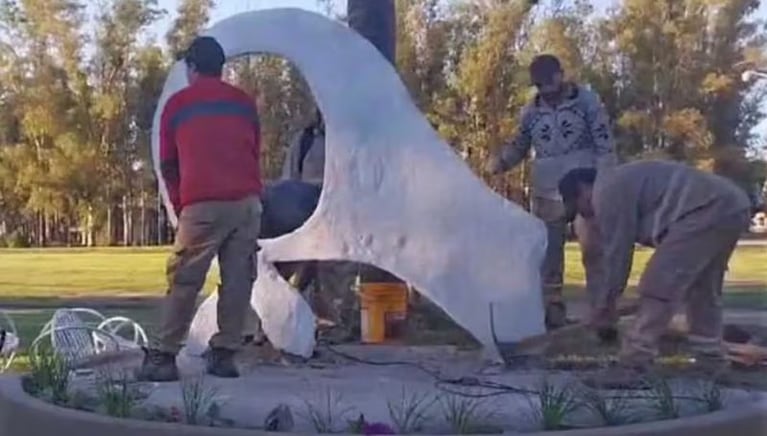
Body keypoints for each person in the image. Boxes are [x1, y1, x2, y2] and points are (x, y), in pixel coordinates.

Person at [138, 36, 263, 382]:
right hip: (247, 205)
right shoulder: (244, 103)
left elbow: (168, 163)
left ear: (192, 68)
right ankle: (224, 355)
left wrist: (182, 206)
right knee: (239, 280)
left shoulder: (177, 105)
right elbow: (255, 150)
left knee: (184, 280)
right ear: (220, 68)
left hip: (203, 204)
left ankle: (164, 357)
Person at [558, 161, 751, 370]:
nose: (588, 216)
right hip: (732, 204)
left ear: (582, 189)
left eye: (580, 209)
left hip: (704, 208)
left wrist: (605, 304)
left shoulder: (605, 191)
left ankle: (635, 360)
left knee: (659, 284)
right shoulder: (622, 181)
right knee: (703, 288)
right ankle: (710, 359)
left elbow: (618, 255)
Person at [487, 54, 616, 329]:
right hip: (546, 188)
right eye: (540, 85)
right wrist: (501, 162)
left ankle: (601, 313)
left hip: (585, 185)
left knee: (593, 251)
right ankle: (552, 313)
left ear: (561, 74)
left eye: (549, 82)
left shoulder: (587, 102)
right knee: (549, 256)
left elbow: (605, 145)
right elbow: (519, 145)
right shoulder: (531, 111)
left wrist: (605, 183)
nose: (546, 90)